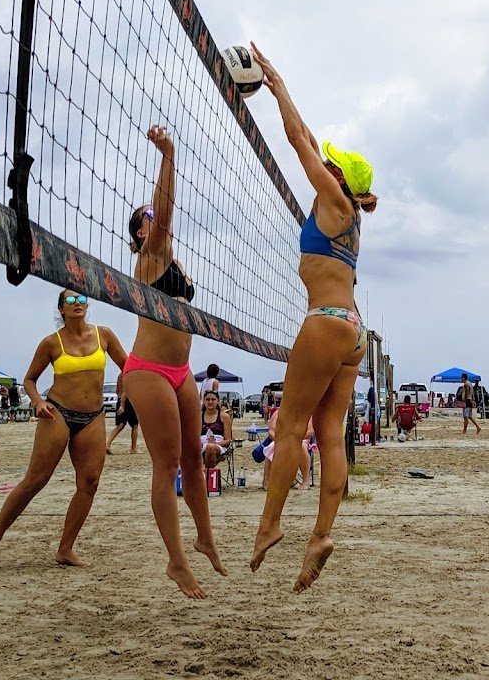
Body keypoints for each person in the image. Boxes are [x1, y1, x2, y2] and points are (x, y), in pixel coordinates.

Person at [247, 42, 377, 593]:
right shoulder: (349, 215)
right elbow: (307, 140)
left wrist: (279, 88)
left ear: (338, 176)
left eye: (332, 164)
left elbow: (297, 140)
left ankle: (270, 523)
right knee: (330, 433)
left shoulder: (335, 202)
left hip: (325, 321)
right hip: (353, 330)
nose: (323, 163)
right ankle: (321, 534)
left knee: (291, 427)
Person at [122, 125, 227, 599]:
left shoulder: (174, 263)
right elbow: (163, 212)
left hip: (181, 372)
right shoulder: (150, 256)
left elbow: (162, 215)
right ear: (140, 232)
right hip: (147, 371)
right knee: (165, 468)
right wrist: (168, 154)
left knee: (192, 460)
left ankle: (205, 538)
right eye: (145, 217)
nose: (154, 218)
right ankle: (176, 561)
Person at [0, 290, 127, 568]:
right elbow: (29, 380)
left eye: (81, 299)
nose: (77, 304)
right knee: (36, 479)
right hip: (57, 411)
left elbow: (129, 367)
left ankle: (65, 549)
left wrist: (126, 392)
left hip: (94, 415)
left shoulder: (104, 335)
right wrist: (37, 402)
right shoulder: (52, 342)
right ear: (61, 308)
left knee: (90, 483)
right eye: (70, 301)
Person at [201, 391, 233, 469]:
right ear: (203, 401)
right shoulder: (198, 417)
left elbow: (228, 440)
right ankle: (205, 471)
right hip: (201, 445)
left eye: (213, 399)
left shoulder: (224, 417)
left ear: (218, 401)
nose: (210, 402)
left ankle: (206, 472)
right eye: (207, 399)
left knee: (210, 447)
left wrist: (216, 443)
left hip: (218, 445)